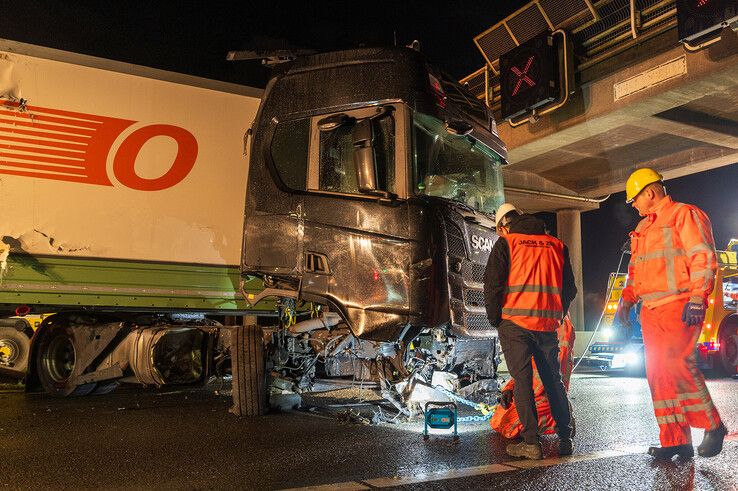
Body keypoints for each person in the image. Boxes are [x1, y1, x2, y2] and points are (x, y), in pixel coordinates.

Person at [615, 167, 727, 459]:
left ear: (649, 193)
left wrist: (697, 297)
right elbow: (635, 270)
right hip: (650, 310)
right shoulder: (642, 229)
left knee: (676, 364)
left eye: (635, 200)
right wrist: (626, 301)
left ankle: (713, 425)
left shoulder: (684, 214)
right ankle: (675, 441)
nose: (634, 206)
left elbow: (702, 255)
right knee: (658, 375)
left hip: (679, 304)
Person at [484, 203, 577, 460]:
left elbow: (492, 286)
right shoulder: (557, 245)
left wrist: (496, 320)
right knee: (553, 381)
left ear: (504, 226)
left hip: (515, 324)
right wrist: (556, 313)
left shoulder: (507, 244)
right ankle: (565, 436)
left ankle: (531, 443)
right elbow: (569, 289)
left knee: (522, 382)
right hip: (547, 325)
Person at [490, 314, 576, 439]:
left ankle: (557, 424)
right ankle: (563, 418)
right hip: (542, 319)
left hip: (546, 321)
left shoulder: (559, 329)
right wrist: (510, 388)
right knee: (497, 421)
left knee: (509, 427)